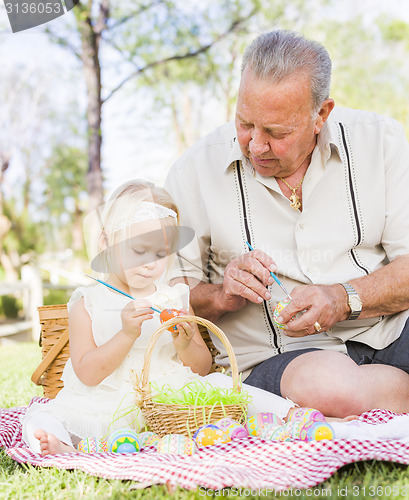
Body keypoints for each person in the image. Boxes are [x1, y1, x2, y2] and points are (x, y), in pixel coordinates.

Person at [165, 30, 409, 419]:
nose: (256, 145)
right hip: (282, 359)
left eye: (276, 133)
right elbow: (169, 300)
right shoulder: (193, 171)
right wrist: (221, 295)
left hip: (391, 331)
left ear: (321, 115)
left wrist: (343, 297)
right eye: (245, 124)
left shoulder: (381, 142)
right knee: (331, 389)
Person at [21, 179, 305, 457]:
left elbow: (203, 367)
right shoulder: (89, 302)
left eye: (160, 253)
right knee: (41, 418)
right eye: (138, 250)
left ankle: (293, 415)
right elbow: (87, 373)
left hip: (169, 399)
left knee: (223, 385)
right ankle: (58, 443)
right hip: (109, 400)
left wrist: (184, 344)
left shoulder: (174, 296)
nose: (149, 263)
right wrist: (125, 335)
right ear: (107, 242)